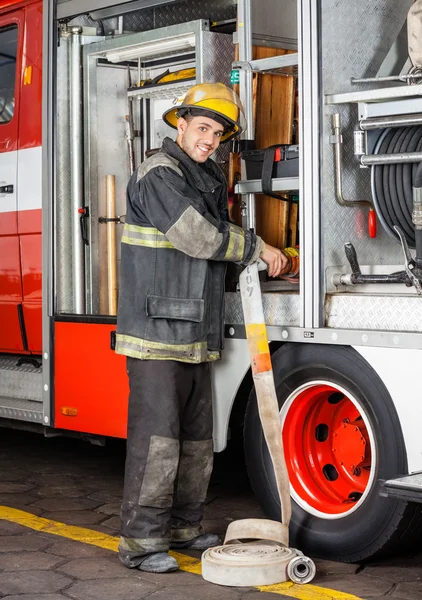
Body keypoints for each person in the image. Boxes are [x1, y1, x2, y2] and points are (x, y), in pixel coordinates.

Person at [115, 82, 288, 573]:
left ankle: (183, 528)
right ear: (181, 123)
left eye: (219, 134)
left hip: (192, 330)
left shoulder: (200, 176)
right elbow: (198, 237)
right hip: (155, 333)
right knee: (158, 443)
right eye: (204, 128)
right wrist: (259, 248)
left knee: (193, 441)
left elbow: (219, 237)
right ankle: (142, 543)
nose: (211, 139)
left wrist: (263, 250)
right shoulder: (160, 174)